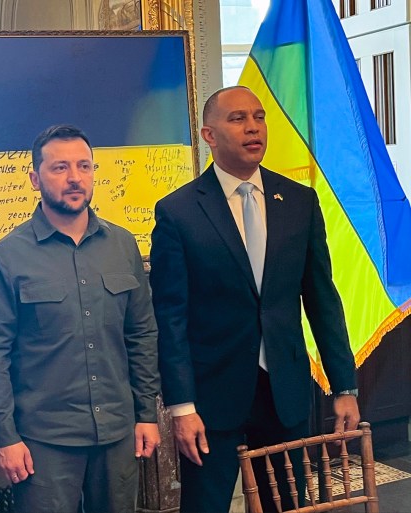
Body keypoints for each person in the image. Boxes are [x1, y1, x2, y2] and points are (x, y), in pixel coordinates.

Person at [149, 86, 361, 513]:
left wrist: (345, 386)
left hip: (284, 391)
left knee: (286, 503)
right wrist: (181, 406)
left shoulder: (299, 201)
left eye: (259, 117)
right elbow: (170, 318)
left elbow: (322, 299)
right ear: (209, 135)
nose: (253, 128)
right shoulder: (178, 212)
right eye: (238, 118)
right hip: (211, 398)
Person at [0, 124, 161, 513]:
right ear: (35, 179)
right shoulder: (7, 257)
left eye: (84, 166)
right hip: (43, 442)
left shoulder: (122, 245)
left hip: (117, 433)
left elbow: (141, 335)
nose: (75, 178)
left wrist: (147, 414)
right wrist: (6, 436)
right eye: (60, 168)